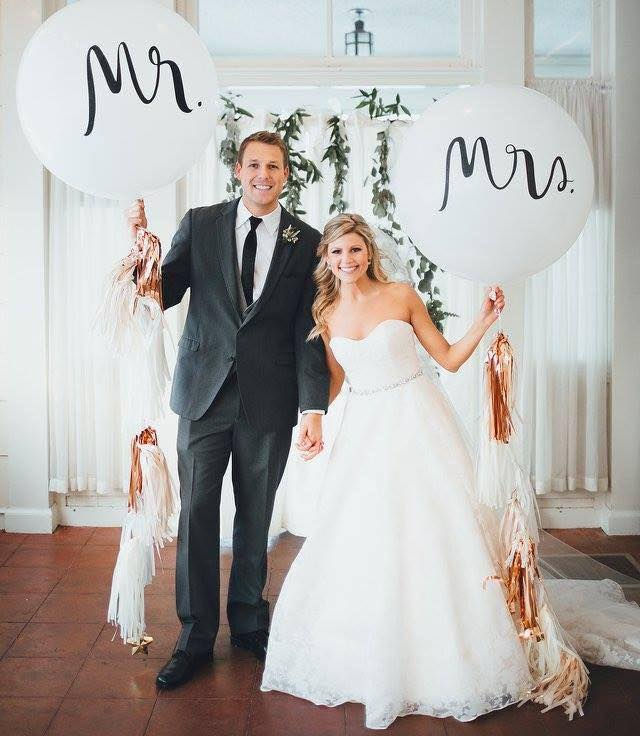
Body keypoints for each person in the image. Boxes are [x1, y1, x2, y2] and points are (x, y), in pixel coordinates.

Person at [261, 212, 534, 728]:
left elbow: (448, 360)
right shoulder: (324, 313)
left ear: (370, 252)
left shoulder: (403, 295)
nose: (347, 260)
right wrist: (311, 421)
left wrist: (484, 320)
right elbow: (337, 381)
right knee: (364, 533)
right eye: (337, 252)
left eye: (355, 250)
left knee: (434, 528)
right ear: (326, 259)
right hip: (364, 429)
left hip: (416, 419)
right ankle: (367, 654)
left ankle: (449, 652)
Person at [127, 130, 329, 690]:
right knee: (196, 513)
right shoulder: (202, 222)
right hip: (203, 394)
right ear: (238, 170)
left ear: (286, 174)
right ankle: (194, 636)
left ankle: (247, 623)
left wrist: (314, 407)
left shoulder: (307, 241)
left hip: (269, 399)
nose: (264, 174)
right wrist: (143, 247)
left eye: (275, 166)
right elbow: (162, 292)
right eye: (254, 164)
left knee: (255, 515)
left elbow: (308, 332)